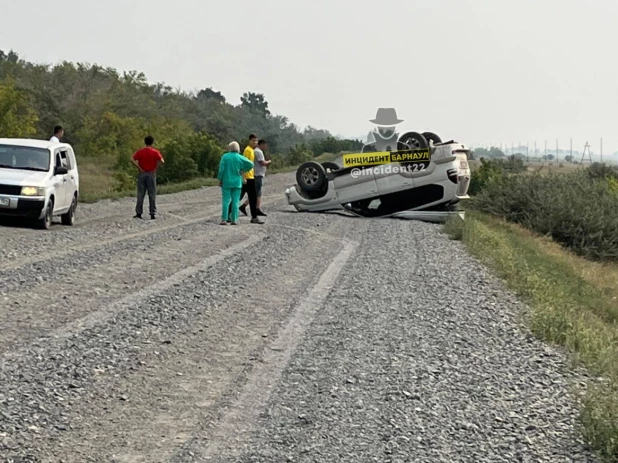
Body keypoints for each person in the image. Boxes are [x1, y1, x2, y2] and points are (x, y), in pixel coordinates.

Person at [218, 141, 255, 225]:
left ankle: (224, 219)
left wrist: (220, 179)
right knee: (235, 201)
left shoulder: (225, 157)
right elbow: (251, 164)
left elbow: (221, 170)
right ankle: (234, 219)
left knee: (226, 200)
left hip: (226, 181)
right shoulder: (239, 157)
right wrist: (243, 170)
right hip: (237, 182)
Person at [132, 135, 164, 220]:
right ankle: (152, 213)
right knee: (152, 194)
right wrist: (155, 169)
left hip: (142, 173)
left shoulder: (140, 152)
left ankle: (139, 213)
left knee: (140, 194)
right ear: (152, 142)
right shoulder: (155, 152)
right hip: (151, 173)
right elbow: (161, 160)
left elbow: (132, 159)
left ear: (145, 142)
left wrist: (139, 168)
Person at [233, 133, 263, 224]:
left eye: (256, 140)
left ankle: (254, 217)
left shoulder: (251, 150)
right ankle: (229, 213)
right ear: (249, 140)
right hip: (247, 178)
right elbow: (243, 164)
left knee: (250, 198)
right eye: (253, 140)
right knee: (240, 197)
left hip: (250, 177)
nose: (255, 142)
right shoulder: (247, 150)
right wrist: (244, 177)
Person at [240, 139, 271, 216]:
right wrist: (269, 162)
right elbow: (262, 162)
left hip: (256, 174)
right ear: (261, 144)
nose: (265, 147)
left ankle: (253, 207)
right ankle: (251, 208)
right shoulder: (258, 152)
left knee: (257, 193)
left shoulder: (256, 151)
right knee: (256, 193)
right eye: (265, 145)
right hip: (257, 175)